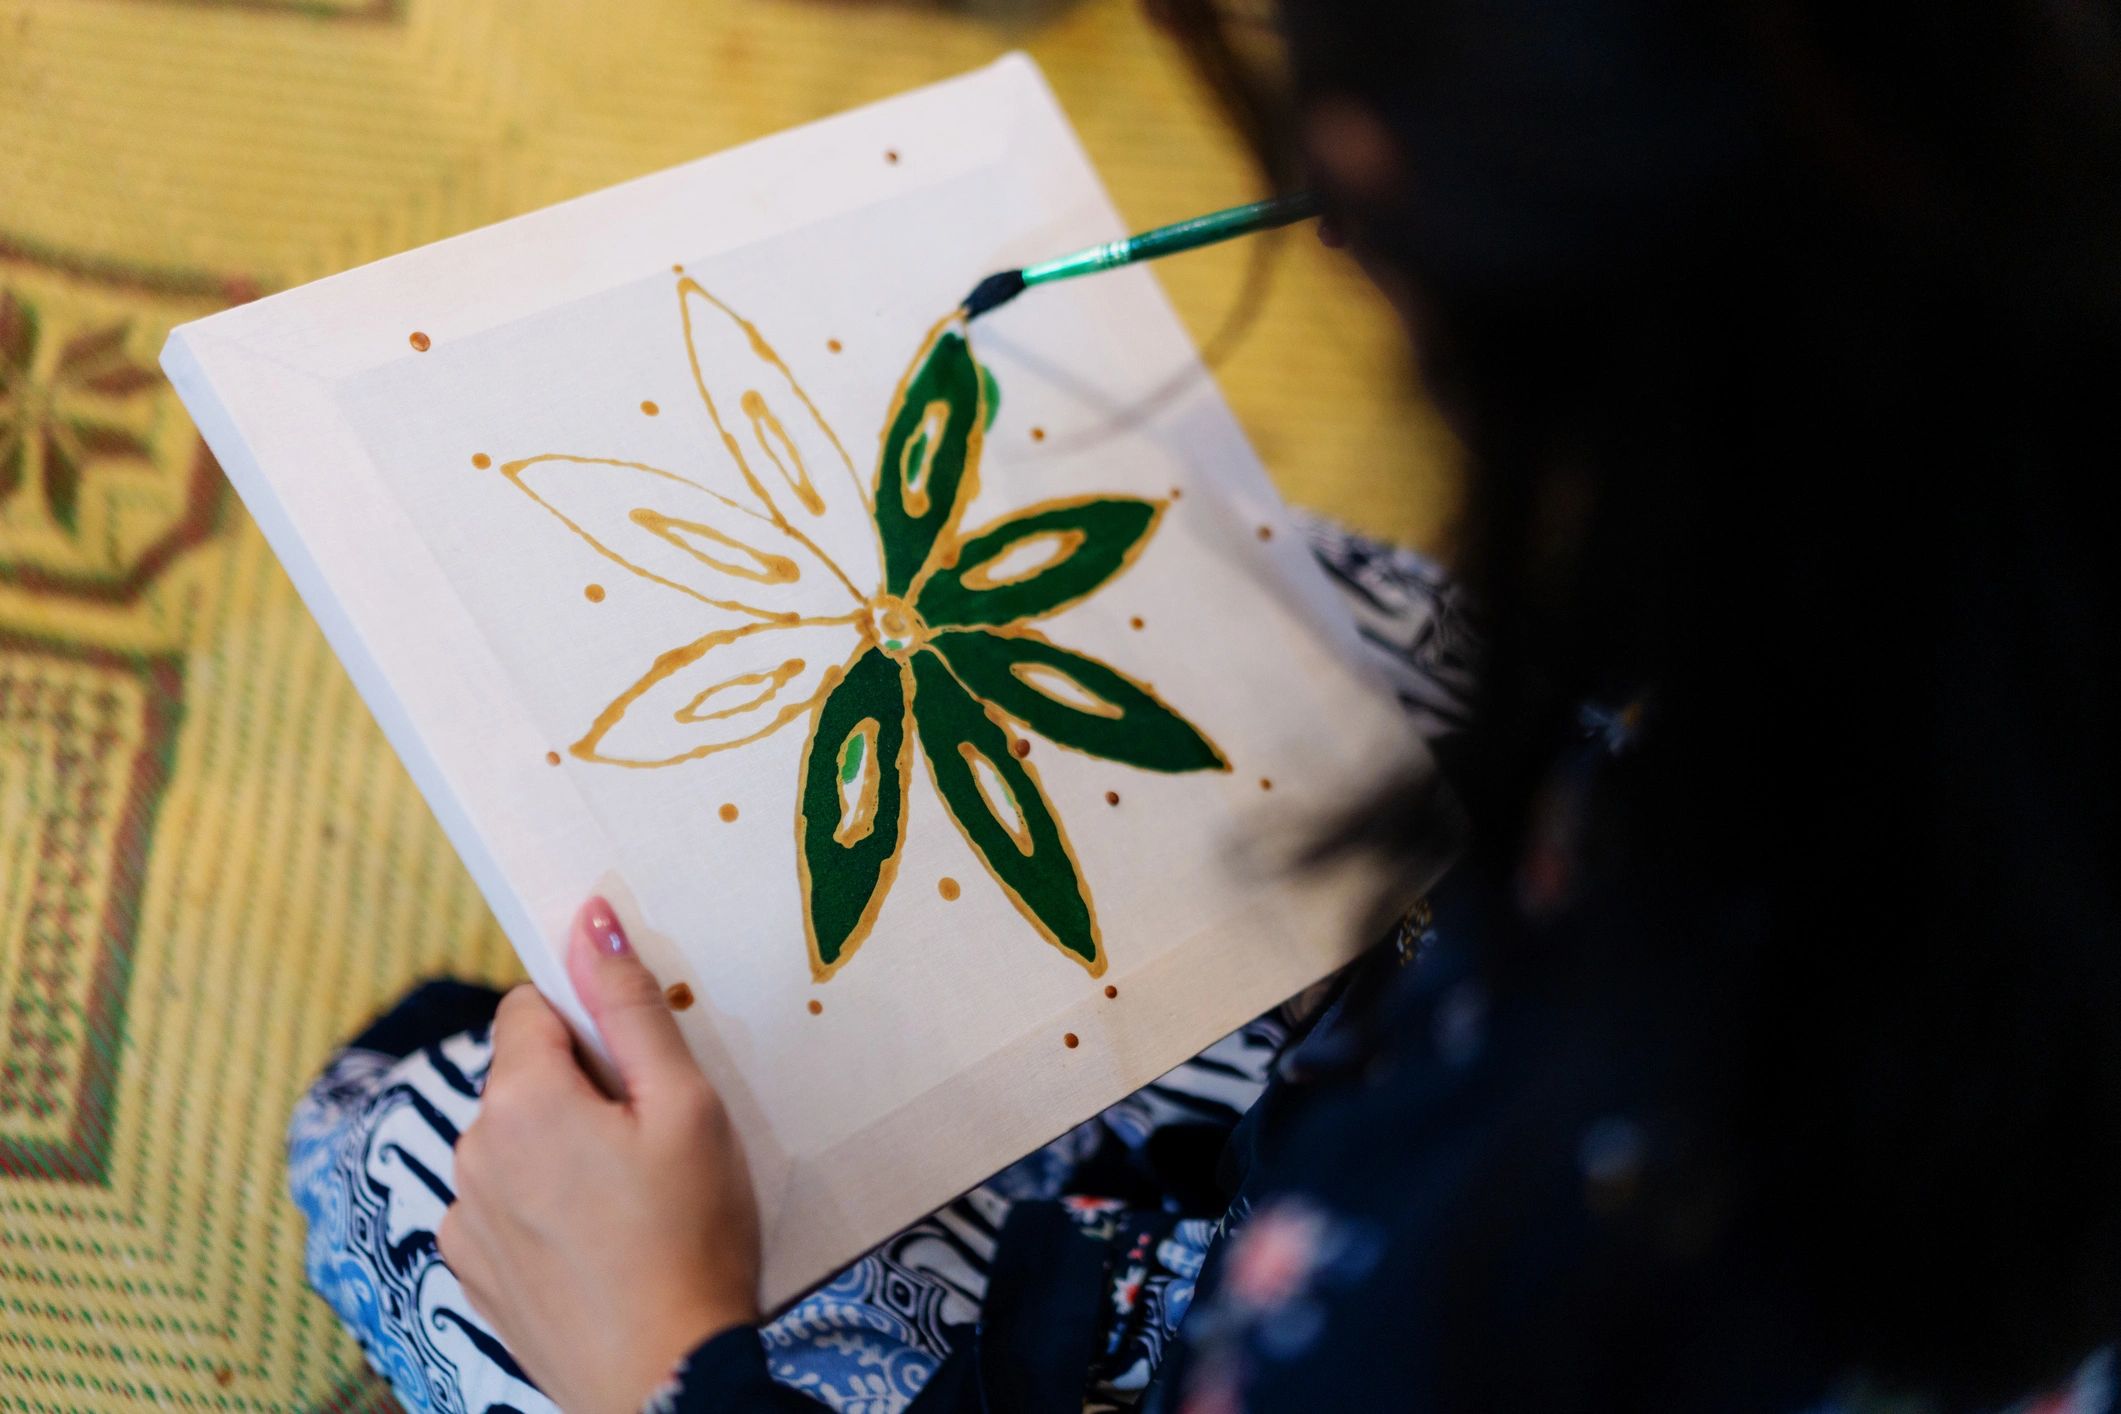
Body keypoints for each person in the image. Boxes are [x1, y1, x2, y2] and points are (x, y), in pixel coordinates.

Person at [290, 1, 2121, 1410]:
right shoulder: (1965, 500)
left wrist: (664, 1359)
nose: (1324, 237)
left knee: (422, 1144)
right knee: (1259, 604)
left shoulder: (1530, 1237)